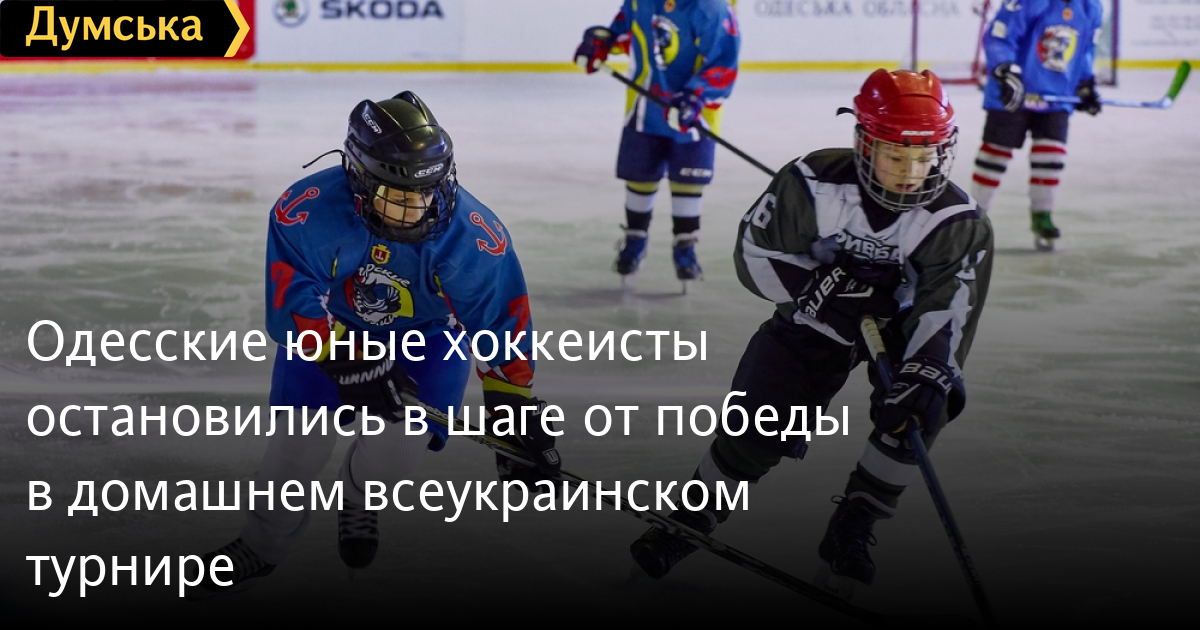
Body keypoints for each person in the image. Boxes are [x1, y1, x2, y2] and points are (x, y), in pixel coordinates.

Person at [627, 70, 993, 593]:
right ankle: (693, 517)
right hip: (814, 315)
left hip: (902, 328)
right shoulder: (811, 182)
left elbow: (948, 315)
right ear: (865, 143)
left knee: (920, 404)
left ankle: (858, 518)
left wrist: (926, 373)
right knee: (759, 417)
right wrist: (822, 286)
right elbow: (754, 257)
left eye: (924, 156)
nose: (912, 173)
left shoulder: (957, 221)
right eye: (895, 156)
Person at [189, 92, 560, 597]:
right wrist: (345, 356)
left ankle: (361, 499)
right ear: (360, 180)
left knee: (393, 457)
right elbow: (293, 301)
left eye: (428, 191)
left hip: (429, 342)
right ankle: (262, 545)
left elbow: (500, 323)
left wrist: (512, 412)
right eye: (398, 194)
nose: (418, 208)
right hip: (332, 329)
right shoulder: (308, 211)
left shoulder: (473, 238)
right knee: (294, 452)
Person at [574, 0, 741, 288]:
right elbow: (627, 29)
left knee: (688, 180)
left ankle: (685, 244)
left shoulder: (712, 8)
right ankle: (635, 237)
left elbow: (723, 62)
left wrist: (696, 96)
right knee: (639, 175)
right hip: (644, 109)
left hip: (694, 116)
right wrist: (602, 43)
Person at [969, 0, 1104, 250]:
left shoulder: (1090, 6)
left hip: (1057, 93)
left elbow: (1085, 49)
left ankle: (1043, 215)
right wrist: (1006, 70)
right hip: (1014, 93)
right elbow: (999, 36)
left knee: (1051, 155)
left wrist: (1085, 83)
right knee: (995, 155)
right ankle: (971, 217)